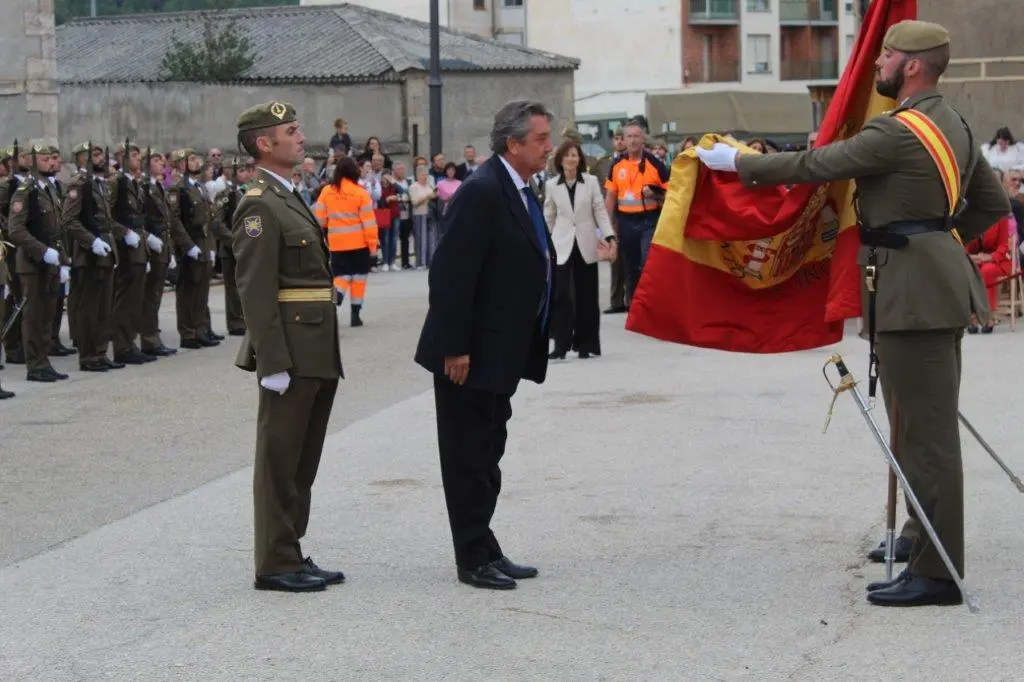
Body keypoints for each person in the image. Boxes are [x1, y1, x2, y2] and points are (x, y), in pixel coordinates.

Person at [696, 20, 1010, 607]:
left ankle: (937, 574)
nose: (877, 64)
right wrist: (935, 242)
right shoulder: (957, 124)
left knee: (927, 438)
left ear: (912, 65)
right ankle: (920, 535)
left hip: (911, 298)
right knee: (915, 427)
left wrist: (738, 163)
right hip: (925, 291)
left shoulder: (896, 131)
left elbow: (817, 164)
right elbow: (990, 204)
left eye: (886, 56)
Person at [414, 99, 556, 590]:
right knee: (468, 457)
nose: (549, 147)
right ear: (513, 144)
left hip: (499, 351)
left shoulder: (517, 186)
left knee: (488, 451)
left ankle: (485, 544)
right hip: (468, 354)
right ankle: (471, 557)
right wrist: (454, 347)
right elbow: (450, 275)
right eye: (540, 139)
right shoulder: (481, 191)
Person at [232, 101, 345, 593]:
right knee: (279, 460)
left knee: (302, 459)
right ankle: (274, 562)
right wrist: (271, 361)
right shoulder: (259, 202)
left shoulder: (288, 195)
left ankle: (290, 549)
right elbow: (255, 290)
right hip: (291, 352)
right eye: (291, 131)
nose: (301, 137)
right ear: (264, 143)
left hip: (315, 346)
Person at [543, 138, 615, 360]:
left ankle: (586, 344)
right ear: (560, 160)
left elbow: (599, 210)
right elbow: (549, 215)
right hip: (561, 243)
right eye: (567, 155)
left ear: (580, 159)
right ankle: (561, 345)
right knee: (561, 294)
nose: (571, 159)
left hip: (586, 241)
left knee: (587, 295)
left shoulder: (590, 182)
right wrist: (544, 243)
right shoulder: (552, 185)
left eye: (574, 155)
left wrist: (608, 234)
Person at [6, 142, 71, 382]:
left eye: (52, 159)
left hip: (52, 261)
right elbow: (16, 230)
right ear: (33, 162)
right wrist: (42, 252)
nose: (51, 163)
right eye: (45, 159)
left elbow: (58, 229)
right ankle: (35, 366)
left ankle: (44, 361)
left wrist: (63, 260)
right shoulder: (25, 191)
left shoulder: (50, 189)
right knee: (34, 317)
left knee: (47, 315)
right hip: (33, 264)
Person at [311, 156, 378, 327]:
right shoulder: (361, 193)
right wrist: (373, 249)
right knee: (358, 279)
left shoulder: (327, 191)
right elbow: (369, 224)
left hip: (337, 244)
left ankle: (334, 299)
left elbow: (320, 220)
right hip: (360, 244)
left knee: (340, 277)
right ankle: (355, 315)